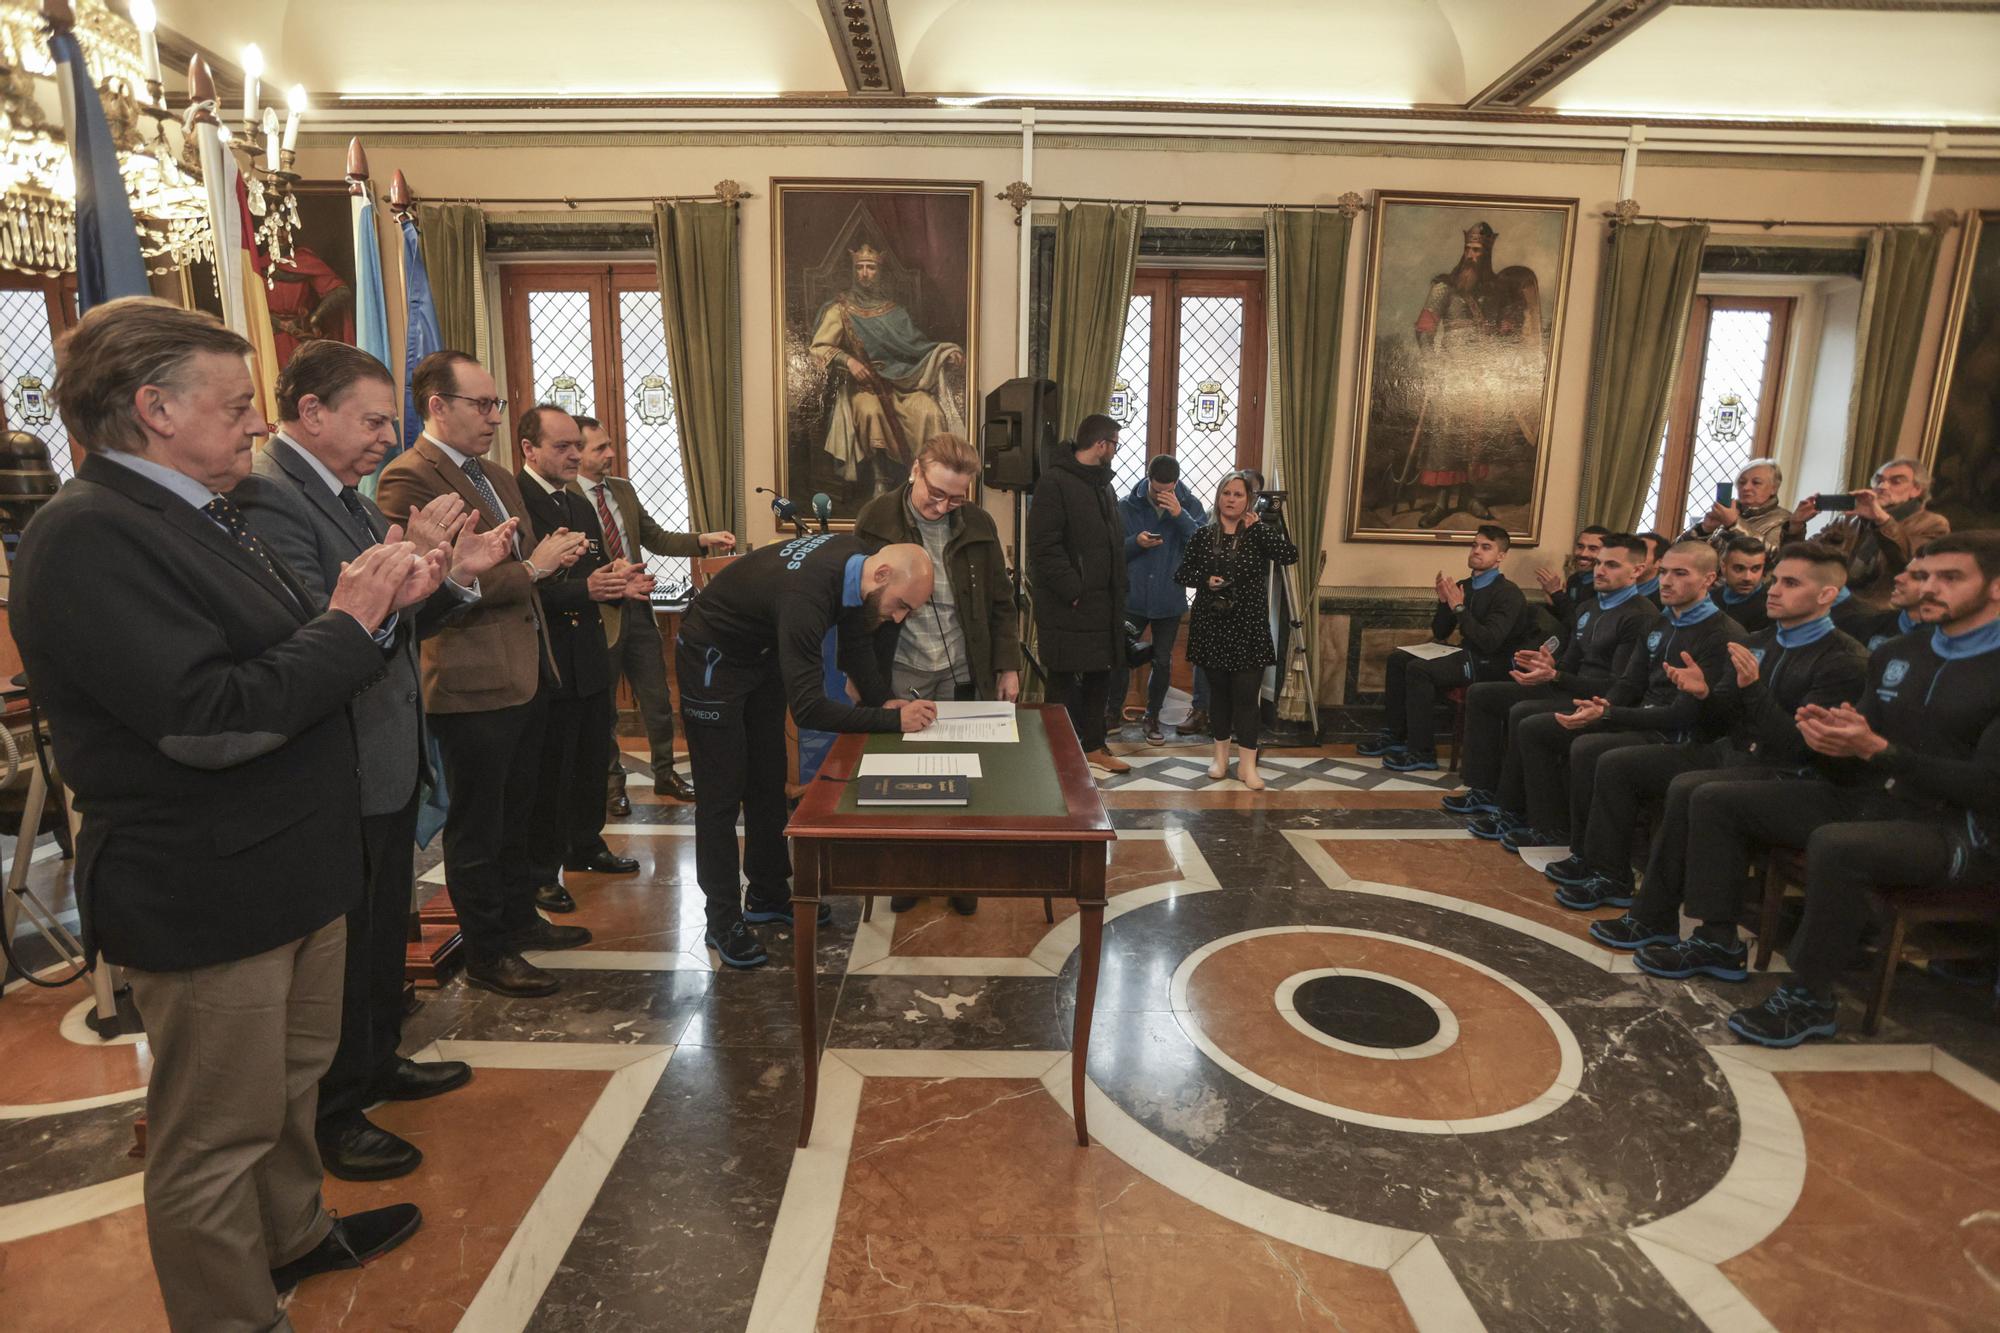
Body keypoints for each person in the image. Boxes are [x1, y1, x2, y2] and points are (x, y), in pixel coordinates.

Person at [10, 298, 433, 1331]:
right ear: (154, 407)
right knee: (212, 1135)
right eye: (236, 404)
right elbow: (210, 721)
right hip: (206, 886)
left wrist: (377, 606)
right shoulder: (87, 536)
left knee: (289, 1087)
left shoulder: (203, 507)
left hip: (289, 865)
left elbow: (293, 654)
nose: (256, 424)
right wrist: (351, 619)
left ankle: (292, 1235)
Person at [240, 341, 512, 1183]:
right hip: (341, 759)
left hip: (384, 753)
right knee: (343, 947)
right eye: (373, 419)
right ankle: (336, 1107)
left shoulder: (349, 498)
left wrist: (448, 575)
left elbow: (392, 617)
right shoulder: (272, 499)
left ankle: (375, 1058)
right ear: (311, 413)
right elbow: (325, 629)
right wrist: (405, 588)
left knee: (380, 928)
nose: (387, 434)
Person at [1678, 532, 2000, 1047]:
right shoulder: (1900, 651)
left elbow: (1988, 787)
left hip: (1960, 830)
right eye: (1925, 576)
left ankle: (1811, 997)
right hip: (1875, 798)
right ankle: (1717, 940)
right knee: (1716, 798)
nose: (1929, 588)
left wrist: (1878, 751)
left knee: (1839, 843)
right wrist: (1829, 732)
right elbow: (1865, 734)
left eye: (1951, 578)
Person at [377, 351, 589, 999]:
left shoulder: (496, 472)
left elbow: (503, 560)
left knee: (519, 814)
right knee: (478, 825)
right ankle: (488, 953)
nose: (495, 416)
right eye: (482, 404)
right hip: (467, 679)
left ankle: (520, 918)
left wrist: (527, 569)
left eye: (498, 404)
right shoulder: (408, 477)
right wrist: (533, 569)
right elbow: (437, 578)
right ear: (436, 405)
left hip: (525, 669)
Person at [1577, 543, 1869, 933]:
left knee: (1702, 793)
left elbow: (1800, 748)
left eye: (1790, 582)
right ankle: (1639, 903)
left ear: (1826, 595)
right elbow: (1723, 719)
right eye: (1776, 580)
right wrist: (1703, 694)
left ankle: (1713, 936)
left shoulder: (1843, 660)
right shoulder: (1760, 642)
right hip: (1737, 752)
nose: (1774, 590)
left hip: (1797, 775)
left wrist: (1752, 689)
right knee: (1620, 763)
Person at [677, 535, 937, 968]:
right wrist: (893, 721)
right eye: (902, 605)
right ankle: (722, 920)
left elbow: (857, 632)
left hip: (761, 654)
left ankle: (767, 892)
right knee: (721, 796)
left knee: (767, 777)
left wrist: (880, 699)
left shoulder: (860, 562)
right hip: (712, 658)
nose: (899, 618)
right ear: (883, 574)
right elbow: (811, 709)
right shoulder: (806, 597)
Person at [1476, 540, 1742, 852]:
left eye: (1680, 573)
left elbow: (1687, 715)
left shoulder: (1721, 633)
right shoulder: (1662, 620)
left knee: (1594, 750)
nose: (1667, 581)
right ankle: (1548, 828)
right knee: (1537, 727)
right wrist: (1600, 707)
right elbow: (1630, 682)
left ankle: (1602, 864)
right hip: (1639, 717)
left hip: (1683, 738)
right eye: (1666, 572)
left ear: (1708, 579)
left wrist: (1607, 713)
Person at [856, 431, 1021, 917]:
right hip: (901, 666)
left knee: (965, 773)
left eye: (957, 497)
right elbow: (858, 608)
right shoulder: (876, 520)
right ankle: (909, 872)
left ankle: (960, 873)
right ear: (916, 471)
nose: (944, 506)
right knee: (907, 778)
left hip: (963, 668)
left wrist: (1006, 664)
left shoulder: (977, 523)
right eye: (937, 493)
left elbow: (999, 601)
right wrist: (861, 677)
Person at [516, 406, 649, 913]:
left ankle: (585, 844)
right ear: (529, 449)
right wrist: (588, 589)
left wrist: (618, 582)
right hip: (548, 660)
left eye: (577, 446)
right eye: (562, 447)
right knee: (553, 771)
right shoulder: (519, 499)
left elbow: (591, 573)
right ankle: (541, 871)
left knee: (592, 759)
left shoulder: (576, 500)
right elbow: (525, 590)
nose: (574, 455)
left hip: (589, 653)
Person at [573, 414, 735, 809]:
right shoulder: (565, 498)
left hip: (639, 612)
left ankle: (666, 774)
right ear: (576, 454)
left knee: (658, 700)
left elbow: (656, 538)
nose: (611, 453)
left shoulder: (622, 491)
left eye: (610, 445)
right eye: (600, 448)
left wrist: (702, 539)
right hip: (598, 617)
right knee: (605, 708)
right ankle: (613, 785)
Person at [1446, 534, 1661, 818]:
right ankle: (1483, 789)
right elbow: (1569, 663)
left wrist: (1555, 676)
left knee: (1525, 715)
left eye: (1611, 565)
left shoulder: (1640, 615)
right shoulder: (1588, 607)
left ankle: (1516, 811)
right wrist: (1546, 666)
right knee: (1483, 694)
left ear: (1637, 570)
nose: (1599, 570)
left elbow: (1618, 685)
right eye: (1598, 563)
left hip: (1600, 700)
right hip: (1570, 687)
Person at [1360, 524, 1533, 772]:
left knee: (1420, 670)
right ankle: (1395, 736)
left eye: (1486, 547)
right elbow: (1441, 632)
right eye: (1474, 545)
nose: (1477, 551)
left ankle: (1423, 752)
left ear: (1501, 556)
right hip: (1466, 654)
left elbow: (1489, 641)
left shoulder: (1508, 593)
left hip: (1491, 663)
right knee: (1398, 660)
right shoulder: (1464, 586)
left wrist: (1460, 609)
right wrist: (1444, 603)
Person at [1405, 220, 1543, 529]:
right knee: (1445, 436)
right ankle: (1441, 501)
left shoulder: (1498, 290)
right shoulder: (1444, 287)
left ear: (1488, 253)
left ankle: (1470, 496)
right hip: (1451, 369)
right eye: (1468, 248)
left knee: (1477, 436)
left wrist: (1507, 325)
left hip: (1484, 373)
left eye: (1478, 250)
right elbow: (1425, 328)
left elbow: (1509, 327)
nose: (1471, 255)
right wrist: (1433, 365)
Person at [1175, 471, 1300, 790]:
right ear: (1219, 498)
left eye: (1238, 495)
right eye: (1226, 493)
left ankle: (1248, 766)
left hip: (1248, 627)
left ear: (1249, 500)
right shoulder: (1204, 535)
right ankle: (1220, 758)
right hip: (1212, 625)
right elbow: (1183, 573)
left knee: (1246, 697)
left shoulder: (1258, 533)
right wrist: (1206, 581)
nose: (1231, 499)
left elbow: (1289, 555)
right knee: (1219, 697)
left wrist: (1261, 527)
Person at [811, 241, 967, 495]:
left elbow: (917, 347)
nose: (864, 273)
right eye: (859, 267)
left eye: (870, 268)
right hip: (866, 387)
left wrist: (945, 352)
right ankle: (880, 478)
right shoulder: (841, 309)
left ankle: (927, 481)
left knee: (931, 412)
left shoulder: (896, 313)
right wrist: (849, 361)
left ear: (879, 272)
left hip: (903, 383)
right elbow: (819, 346)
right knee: (871, 413)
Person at [1028, 412, 1131, 774]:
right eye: (1114, 444)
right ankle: (1059, 750)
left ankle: (1094, 746)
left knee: (1100, 676)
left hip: (1103, 604)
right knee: (1064, 681)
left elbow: (1110, 543)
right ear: (1101, 444)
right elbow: (1044, 547)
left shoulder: (1103, 484)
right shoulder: (1054, 483)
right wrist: (1075, 590)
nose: (1116, 452)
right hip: (1070, 606)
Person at [1114, 453, 1205, 744]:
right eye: (1157, 489)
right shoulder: (1127, 506)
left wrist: (1179, 515)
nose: (1162, 494)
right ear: (1148, 479)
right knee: (1118, 657)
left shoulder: (1190, 505)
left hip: (1169, 598)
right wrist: (1136, 544)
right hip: (1133, 597)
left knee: (1163, 662)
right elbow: (1112, 551)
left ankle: (1152, 716)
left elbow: (1202, 547)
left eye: (1168, 489)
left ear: (1176, 483)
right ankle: (1111, 712)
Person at [1783, 456, 1950, 607]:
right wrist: (1796, 526)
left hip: (1882, 607)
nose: (1883, 486)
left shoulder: (1932, 524)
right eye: (1879, 481)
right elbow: (1804, 558)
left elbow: (1909, 563)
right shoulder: (1849, 519)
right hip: (1833, 600)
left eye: (1896, 481)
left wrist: (1881, 520)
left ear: (1917, 490)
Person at [1682, 458, 1792, 553]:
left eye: (1756, 483)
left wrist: (1734, 525)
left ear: (1774, 488)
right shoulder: (1727, 511)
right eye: (1742, 482)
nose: (1746, 488)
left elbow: (1774, 555)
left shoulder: (1783, 519)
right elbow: (1678, 550)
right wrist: (1703, 530)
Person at [1845, 560, 1930, 650]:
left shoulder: (1939, 644)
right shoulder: (1873, 623)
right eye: (1904, 572)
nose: (1898, 578)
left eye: (1916, 577)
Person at [1536, 524, 1609, 626]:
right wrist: (1552, 603)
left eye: (1592, 549)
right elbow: (1565, 619)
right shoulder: (1574, 579)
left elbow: (1582, 624)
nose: (1583, 554)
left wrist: (1556, 593)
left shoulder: (1608, 586)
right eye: (1580, 547)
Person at [1712, 534, 1771, 631]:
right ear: (1723, 566)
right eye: (1739, 568)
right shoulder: (1710, 598)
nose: (1747, 578)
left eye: (1755, 569)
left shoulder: (1771, 607)